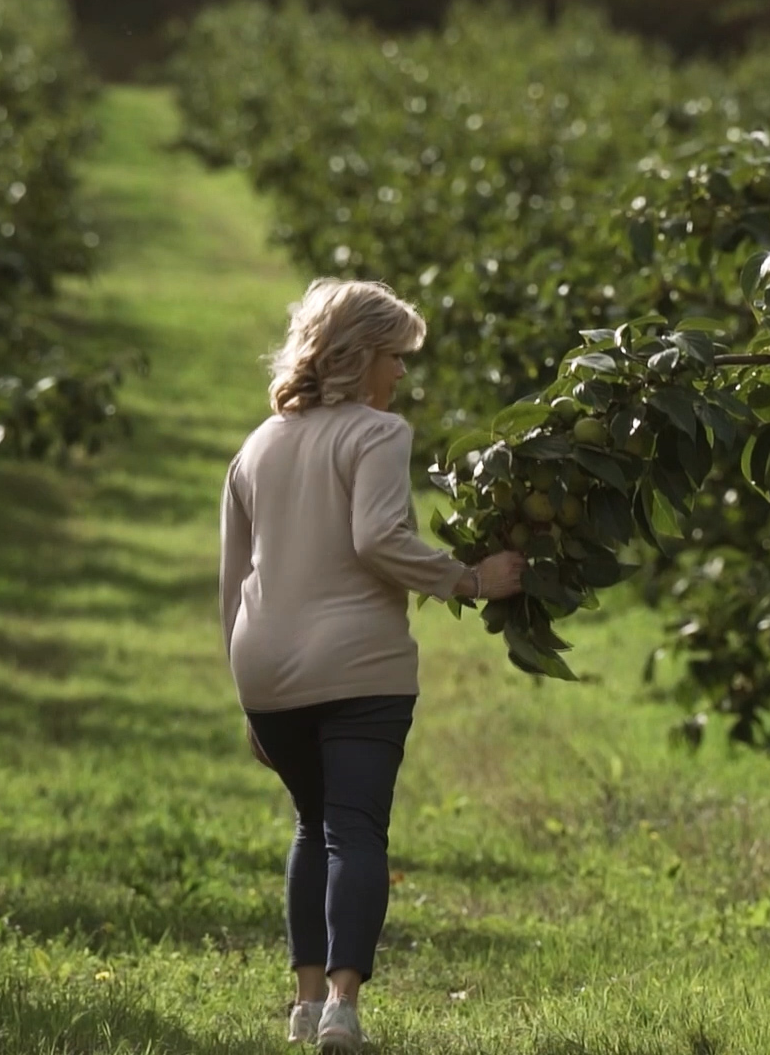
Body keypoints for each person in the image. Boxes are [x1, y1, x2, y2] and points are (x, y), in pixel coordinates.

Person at [219, 278, 526, 1051]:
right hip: (357, 665)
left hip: (266, 669)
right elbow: (379, 538)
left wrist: (248, 695)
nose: (402, 373)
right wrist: (469, 580)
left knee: (311, 822)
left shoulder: (257, 444)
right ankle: (342, 1008)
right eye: (397, 356)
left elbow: (234, 578)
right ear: (361, 356)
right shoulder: (378, 433)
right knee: (355, 828)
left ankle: (303, 1003)